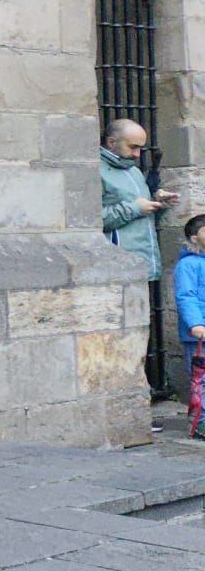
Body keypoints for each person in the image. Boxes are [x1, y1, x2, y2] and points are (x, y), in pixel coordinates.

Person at [101, 117, 174, 420]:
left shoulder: (131, 170)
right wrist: (135, 208)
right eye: (133, 147)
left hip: (143, 266)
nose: (137, 155)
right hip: (116, 269)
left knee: (138, 344)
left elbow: (134, 207)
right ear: (111, 142)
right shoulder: (95, 170)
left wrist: (156, 200)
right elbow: (92, 218)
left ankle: (136, 411)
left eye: (140, 148)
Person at [173, 214, 205, 440]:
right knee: (201, 381)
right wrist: (195, 323)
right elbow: (186, 296)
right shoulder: (188, 265)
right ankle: (201, 421)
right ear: (195, 237)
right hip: (199, 336)